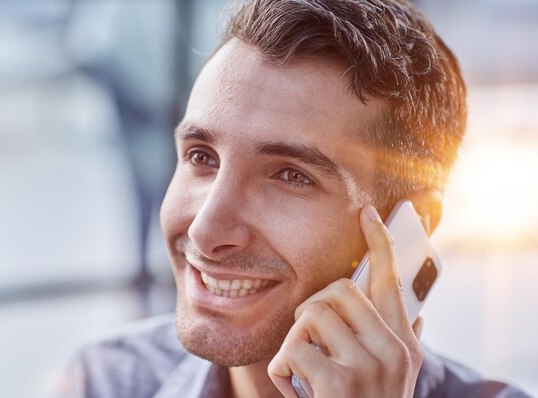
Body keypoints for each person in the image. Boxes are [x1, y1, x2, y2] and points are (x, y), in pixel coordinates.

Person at [58, 0, 531, 397]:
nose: (205, 230)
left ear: (410, 228)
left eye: (290, 175)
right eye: (202, 157)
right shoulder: (105, 381)